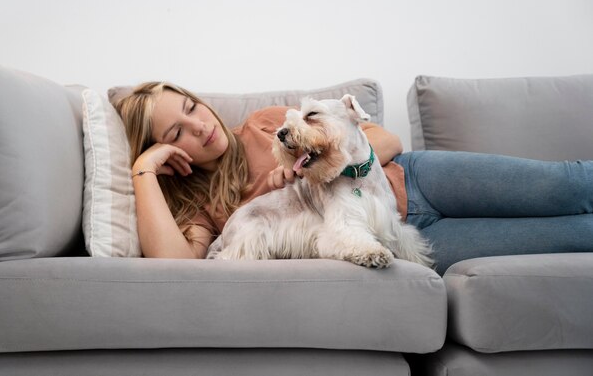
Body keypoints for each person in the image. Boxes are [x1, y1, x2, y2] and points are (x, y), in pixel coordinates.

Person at [115, 82, 593, 274]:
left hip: (416, 179)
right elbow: (171, 263)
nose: (200, 126)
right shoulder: (208, 208)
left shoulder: (265, 123)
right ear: (171, 150)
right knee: (576, 235)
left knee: (567, 185)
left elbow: (385, 141)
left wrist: (329, 165)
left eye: (192, 107)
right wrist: (144, 170)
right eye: (178, 131)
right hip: (409, 233)